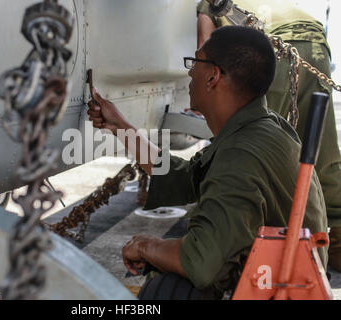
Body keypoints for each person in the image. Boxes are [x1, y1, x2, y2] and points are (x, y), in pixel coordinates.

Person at [87, 26, 328, 300]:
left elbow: (201, 264)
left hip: (277, 290)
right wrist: (120, 126)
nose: (190, 72)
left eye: (196, 62)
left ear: (213, 76)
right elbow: (186, 176)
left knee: (165, 291)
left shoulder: (240, 153)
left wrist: (146, 247)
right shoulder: (263, 129)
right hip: (282, 283)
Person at [197, 0, 341, 273]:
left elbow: (206, 55)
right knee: (323, 151)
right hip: (314, 42)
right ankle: (338, 244)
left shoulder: (208, 4)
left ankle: (235, 238)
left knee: (256, 148)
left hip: (272, 46)